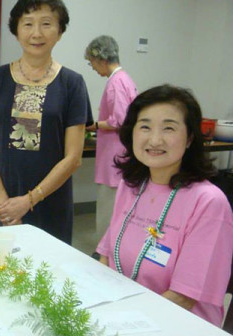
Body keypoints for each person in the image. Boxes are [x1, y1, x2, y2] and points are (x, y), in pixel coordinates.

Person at [96, 85, 233, 326]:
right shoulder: (131, 186)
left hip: (177, 324)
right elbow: (107, 256)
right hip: (123, 315)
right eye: (145, 126)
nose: (155, 139)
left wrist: (120, 320)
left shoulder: (209, 203)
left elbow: (183, 297)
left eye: (168, 128)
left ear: (190, 138)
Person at [0, 0, 93, 244]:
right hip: (1, 203)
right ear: (16, 30)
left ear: (60, 31)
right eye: (28, 24)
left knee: (46, 275)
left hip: (50, 203)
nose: (36, 33)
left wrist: (28, 201)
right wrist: (6, 204)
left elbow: (73, 158)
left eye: (46, 24)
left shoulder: (73, 83)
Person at [84, 35, 137, 237]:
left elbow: (120, 119)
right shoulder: (126, 79)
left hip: (114, 156)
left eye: (92, 63)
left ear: (101, 59)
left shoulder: (116, 82)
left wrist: (93, 125)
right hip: (123, 152)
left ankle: (104, 252)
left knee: (109, 208)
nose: (94, 68)